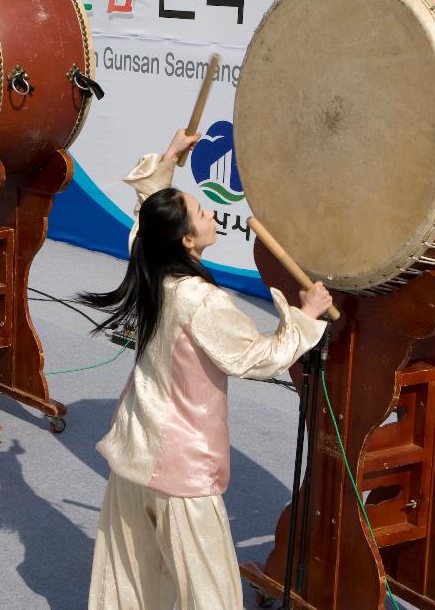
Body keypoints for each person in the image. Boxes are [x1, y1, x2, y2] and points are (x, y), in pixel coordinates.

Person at [78, 130, 332, 610]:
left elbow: (147, 222)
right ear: (189, 240)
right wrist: (306, 317)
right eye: (201, 212)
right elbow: (258, 358)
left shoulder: (150, 262)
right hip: (182, 469)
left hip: (135, 451)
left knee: (131, 581)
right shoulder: (202, 300)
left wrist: (169, 159)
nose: (213, 212)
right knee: (209, 592)